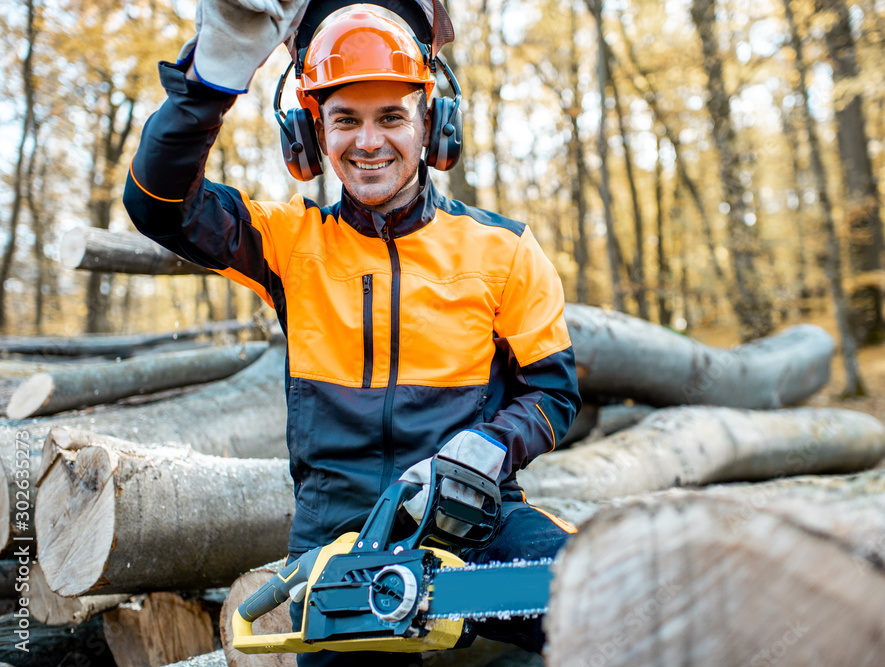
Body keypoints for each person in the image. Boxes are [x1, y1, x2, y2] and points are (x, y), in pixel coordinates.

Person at [123, 1, 581, 664]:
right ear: (311, 136)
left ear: (431, 123)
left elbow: (552, 391)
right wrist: (211, 79)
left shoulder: (502, 250)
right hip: (341, 546)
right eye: (345, 119)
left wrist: (486, 447)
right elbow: (157, 203)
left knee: (591, 592)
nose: (369, 142)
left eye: (391, 116)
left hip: (474, 523)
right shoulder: (287, 243)